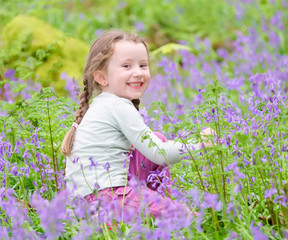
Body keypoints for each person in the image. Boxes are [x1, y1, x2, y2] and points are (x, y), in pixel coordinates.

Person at [61, 30, 214, 219]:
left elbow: (154, 148)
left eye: (143, 65)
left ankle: (157, 204)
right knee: (189, 218)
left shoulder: (101, 103)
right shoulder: (118, 106)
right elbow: (160, 154)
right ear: (102, 77)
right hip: (109, 200)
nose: (138, 73)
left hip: (83, 204)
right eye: (126, 66)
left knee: (156, 139)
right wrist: (200, 143)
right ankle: (160, 214)